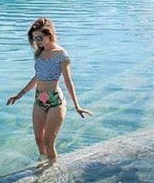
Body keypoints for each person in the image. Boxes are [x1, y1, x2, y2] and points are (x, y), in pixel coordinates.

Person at [6, 17, 93, 162]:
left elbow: (68, 81)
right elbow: (37, 77)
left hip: (55, 100)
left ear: (49, 34)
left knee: (48, 142)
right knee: (38, 139)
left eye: (40, 37)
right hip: (39, 98)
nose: (37, 41)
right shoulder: (40, 53)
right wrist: (19, 95)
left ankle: (52, 170)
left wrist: (77, 106)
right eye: (34, 39)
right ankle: (41, 166)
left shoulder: (61, 54)